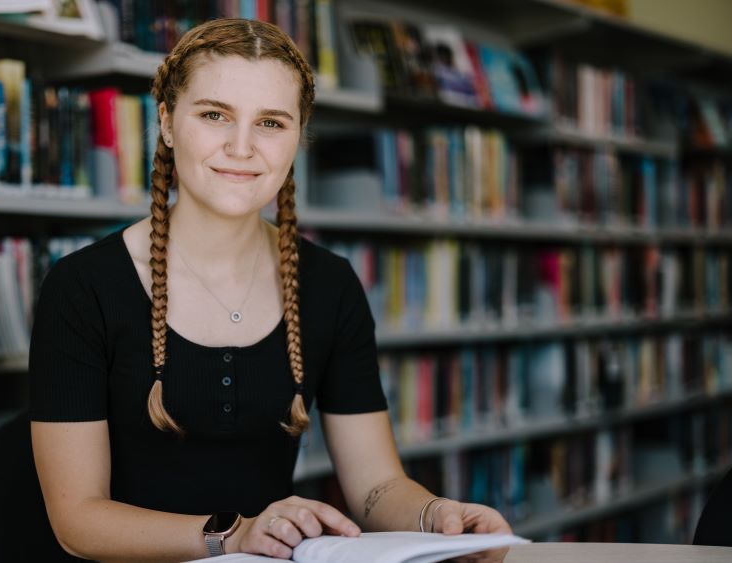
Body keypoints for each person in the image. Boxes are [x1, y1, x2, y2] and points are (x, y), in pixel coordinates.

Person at [29, 18, 512, 562]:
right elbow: (78, 519)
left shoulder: (330, 285)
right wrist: (232, 536)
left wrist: (437, 517)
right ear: (166, 122)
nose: (241, 147)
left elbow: (376, 485)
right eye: (214, 115)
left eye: (271, 123)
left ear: (298, 135)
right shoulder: (82, 287)